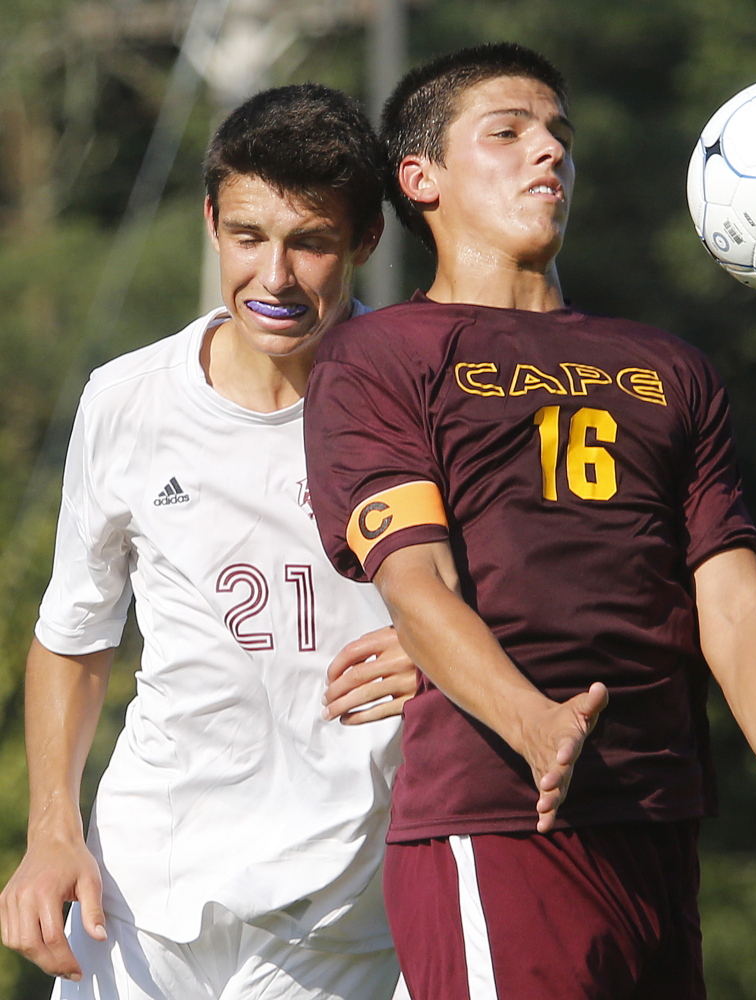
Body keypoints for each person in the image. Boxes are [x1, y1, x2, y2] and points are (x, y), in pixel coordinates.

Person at [304, 43, 756, 1000]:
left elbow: (729, 594)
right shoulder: (378, 357)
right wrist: (531, 725)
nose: (548, 154)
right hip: (499, 822)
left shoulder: (669, 366)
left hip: (656, 820)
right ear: (421, 178)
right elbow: (415, 584)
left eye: (559, 136)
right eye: (508, 132)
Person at [0, 84, 417, 1000]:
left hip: (337, 910)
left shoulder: (421, 401)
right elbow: (75, 634)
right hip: (139, 896)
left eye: (308, 243)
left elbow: (518, 599)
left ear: (365, 244)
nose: (274, 278)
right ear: (210, 222)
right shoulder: (125, 398)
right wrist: (52, 833)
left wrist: (441, 647)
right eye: (247, 237)